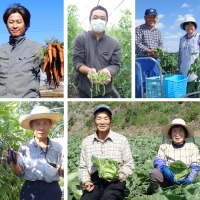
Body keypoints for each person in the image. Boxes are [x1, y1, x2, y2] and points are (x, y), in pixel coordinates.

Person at [78, 104, 134, 199]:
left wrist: (119, 176)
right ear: (94, 121)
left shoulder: (121, 140)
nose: (102, 122)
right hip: (94, 182)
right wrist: (86, 181)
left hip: (116, 181)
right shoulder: (86, 141)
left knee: (108, 197)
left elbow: (129, 164)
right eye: (99, 118)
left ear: (110, 121)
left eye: (106, 118)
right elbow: (83, 167)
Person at [10, 106, 64, 200]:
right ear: (31, 126)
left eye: (45, 124)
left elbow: (61, 172)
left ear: (50, 124)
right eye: (37, 124)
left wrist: (64, 162)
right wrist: (14, 162)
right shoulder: (25, 147)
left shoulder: (57, 147)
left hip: (52, 190)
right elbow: (20, 173)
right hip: (30, 190)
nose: (41, 128)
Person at [73, 5, 121, 98]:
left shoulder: (114, 43)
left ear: (106, 22)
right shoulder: (81, 39)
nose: (99, 20)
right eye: (95, 17)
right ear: (90, 20)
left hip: (105, 90)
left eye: (102, 18)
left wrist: (107, 70)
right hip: (85, 90)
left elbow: (116, 65)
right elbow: (77, 63)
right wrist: (89, 71)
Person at [0, 3, 43, 98]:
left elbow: (54, 67)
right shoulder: (1, 50)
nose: (14, 26)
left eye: (18, 22)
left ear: (26, 24)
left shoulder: (38, 49)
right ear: (6, 25)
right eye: (11, 22)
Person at [150, 118, 200, 193]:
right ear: (170, 134)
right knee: (154, 173)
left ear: (185, 133)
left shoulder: (192, 147)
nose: (177, 134)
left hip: (185, 182)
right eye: (174, 131)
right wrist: (163, 168)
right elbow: (159, 160)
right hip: (167, 180)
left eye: (180, 131)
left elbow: (195, 165)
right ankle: (158, 193)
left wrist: (189, 179)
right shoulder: (164, 147)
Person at [135, 8, 164, 98]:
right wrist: (149, 51)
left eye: (153, 17)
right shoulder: (139, 29)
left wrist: (161, 51)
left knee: (155, 83)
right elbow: (137, 43)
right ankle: (138, 99)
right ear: (145, 18)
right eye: (149, 17)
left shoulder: (158, 31)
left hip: (155, 60)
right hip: (141, 59)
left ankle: (154, 99)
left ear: (157, 19)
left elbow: (161, 44)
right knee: (139, 82)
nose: (151, 19)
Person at [178, 16, 200, 92]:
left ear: (195, 26)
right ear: (184, 27)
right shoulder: (182, 39)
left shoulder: (198, 36)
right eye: (187, 25)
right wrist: (179, 67)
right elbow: (180, 54)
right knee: (185, 89)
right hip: (184, 68)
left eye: (191, 25)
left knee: (195, 89)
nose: (189, 27)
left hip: (195, 69)